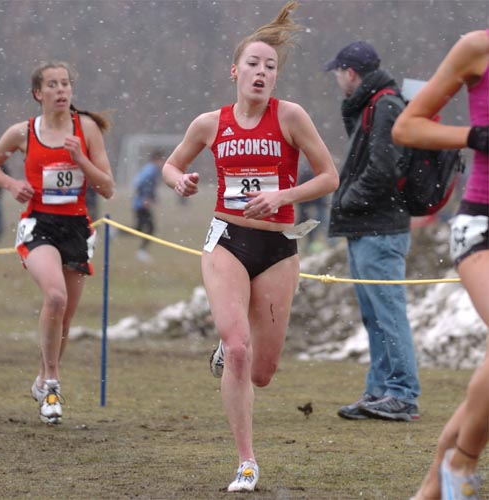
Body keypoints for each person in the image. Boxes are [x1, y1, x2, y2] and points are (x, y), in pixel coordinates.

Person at [162, 2, 338, 492]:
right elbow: (171, 166)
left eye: (271, 67)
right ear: (235, 71)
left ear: (276, 77)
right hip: (227, 239)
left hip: (279, 246)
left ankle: (230, 343)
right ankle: (246, 462)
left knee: (261, 372)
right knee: (239, 349)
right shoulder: (210, 123)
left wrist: (284, 194)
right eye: (254, 65)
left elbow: (329, 177)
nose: (261, 73)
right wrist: (181, 181)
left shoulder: (291, 117)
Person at [0, 61, 114, 425]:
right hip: (38, 224)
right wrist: (11, 185)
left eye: (65, 84)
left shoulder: (85, 129)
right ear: (38, 93)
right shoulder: (23, 132)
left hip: (76, 227)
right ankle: (53, 384)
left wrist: (80, 159)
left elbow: (107, 187)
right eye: (52, 85)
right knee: (55, 297)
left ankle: (42, 378)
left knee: (65, 318)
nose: (60, 90)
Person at [392, 29, 488, 500]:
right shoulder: (477, 48)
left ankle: (433, 487)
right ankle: (463, 462)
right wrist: (474, 136)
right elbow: (407, 127)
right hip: (482, 227)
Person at [324, 40, 421, 422]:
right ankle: (379, 391)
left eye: (337, 73)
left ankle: (402, 393)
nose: (336, 80)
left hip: (381, 230)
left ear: (350, 73)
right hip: (367, 228)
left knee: (388, 313)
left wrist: (346, 200)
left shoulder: (384, 105)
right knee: (374, 314)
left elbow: (384, 169)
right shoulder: (371, 105)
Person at [132, 148, 165, 262]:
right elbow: (141, 184)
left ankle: (114, 232)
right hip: (141, 204)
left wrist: (153, 198)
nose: (162, 164)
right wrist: (145, 198)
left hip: (140, 203)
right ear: (157, 159)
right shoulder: (151, 170)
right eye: (161, 160)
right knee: (149, 228)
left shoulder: (150, 169)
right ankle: (142, 252)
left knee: (140, 228)